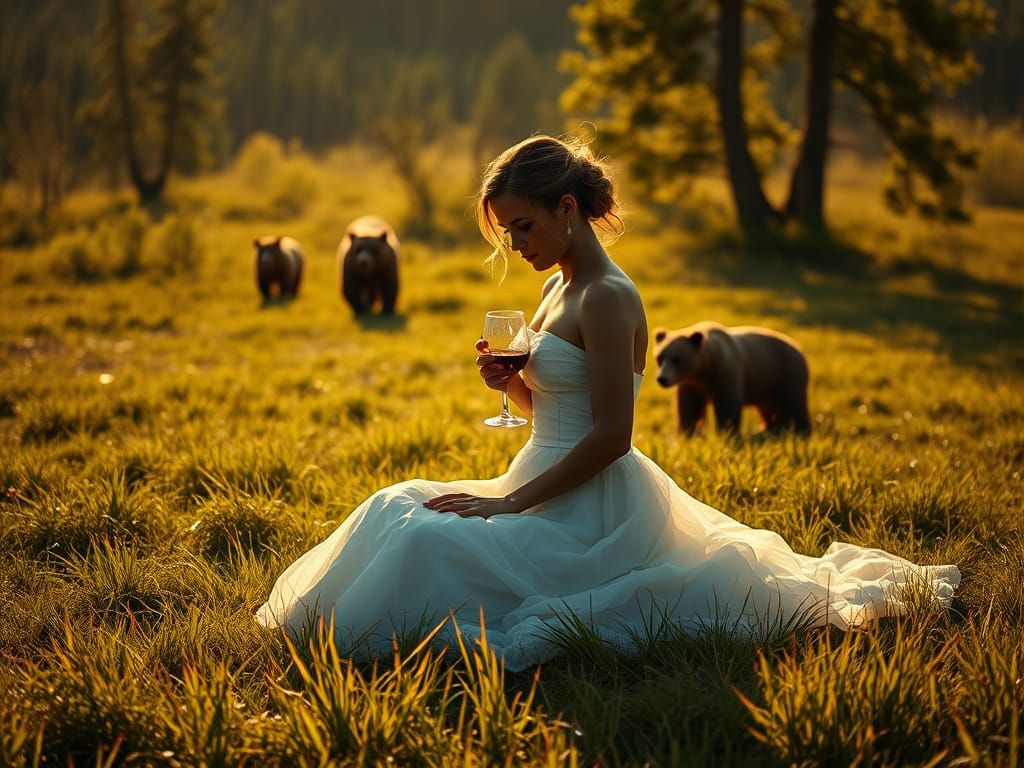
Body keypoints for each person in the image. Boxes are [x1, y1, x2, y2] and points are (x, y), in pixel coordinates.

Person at [255, 136, 960, 670]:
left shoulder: (609, 296)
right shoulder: (553, 286)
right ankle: (341, 630)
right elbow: (547, 410)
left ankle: (374, 638)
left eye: (523, 226)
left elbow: (611, 436)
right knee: (396, 503)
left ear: (567, 209)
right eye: (507, 232)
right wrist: (513, 386)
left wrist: (509, 506)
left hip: (591, 503)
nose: (516, 244)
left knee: (423, 537)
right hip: (537, 476)